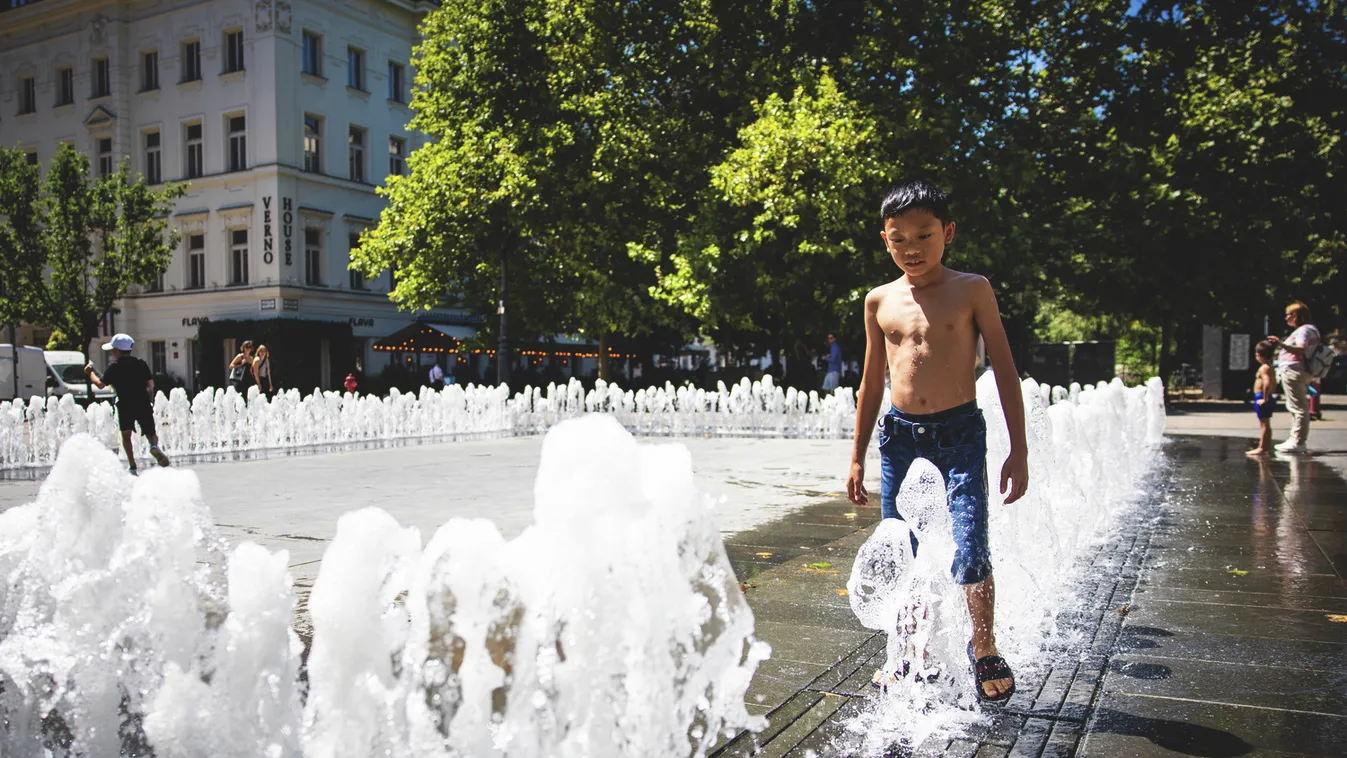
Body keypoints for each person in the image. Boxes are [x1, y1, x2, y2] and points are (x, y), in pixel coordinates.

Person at [845, 179, 1028, 704]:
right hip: (899, 439)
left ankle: (984, 643)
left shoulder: (973, 289)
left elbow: (1006, 371)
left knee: (971, 544)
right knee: (905, 550)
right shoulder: (879, 300)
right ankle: (909, 651)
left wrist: (1019, 449)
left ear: (946, 232)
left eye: (924, 235)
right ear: (885, 240)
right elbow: (871, 382)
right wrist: (856, 457)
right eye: (899, 238)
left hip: (960, 435)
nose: (912, 248)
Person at [83, 333, 171, 474]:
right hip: (142, 402)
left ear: (117, 351)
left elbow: (100, 384)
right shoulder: (141, 364)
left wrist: (90, 372)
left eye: (113, 350)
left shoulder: (114, 367)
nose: (112, 353)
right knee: (151, 432)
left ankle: (132, 465)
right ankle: (154, 446)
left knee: (126, 435)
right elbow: (150, 384)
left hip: (124, 404)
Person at [1266, 301, 1320, 453]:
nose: (1286, 318)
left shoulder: (1303, 330)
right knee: (1297, 406)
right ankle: (1295, 439)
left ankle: (1298, 441)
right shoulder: (1312, 329)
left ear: (1298, 316)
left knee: (1298, 407)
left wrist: (1281, 344)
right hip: (1300, 370)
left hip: (1294, 370)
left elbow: (1301, 349)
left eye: (1289, 315)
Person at [1246, 340, 1277, 457]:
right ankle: (1266, 447)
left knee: (1264, 424)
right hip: (1266, 396)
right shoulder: (1270, 367)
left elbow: (1267, 382)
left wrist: (1264, 398)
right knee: (1266, 424)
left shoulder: (1264, 368)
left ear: (1259, 355)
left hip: (1262, 397)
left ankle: (1262, 448)